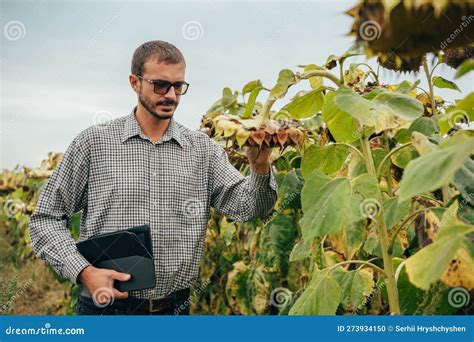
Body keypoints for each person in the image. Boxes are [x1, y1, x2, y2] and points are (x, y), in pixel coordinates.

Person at [29, 40, 278, 315]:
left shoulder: (202, 150)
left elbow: (250, 207)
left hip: (173, 308)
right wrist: (84, 272)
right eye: (160, 85)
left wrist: (260, 168)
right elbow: (45, 219)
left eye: (178, 86)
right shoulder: (94, 143)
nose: (171, 95)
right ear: (135, 82)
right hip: (106, 309)